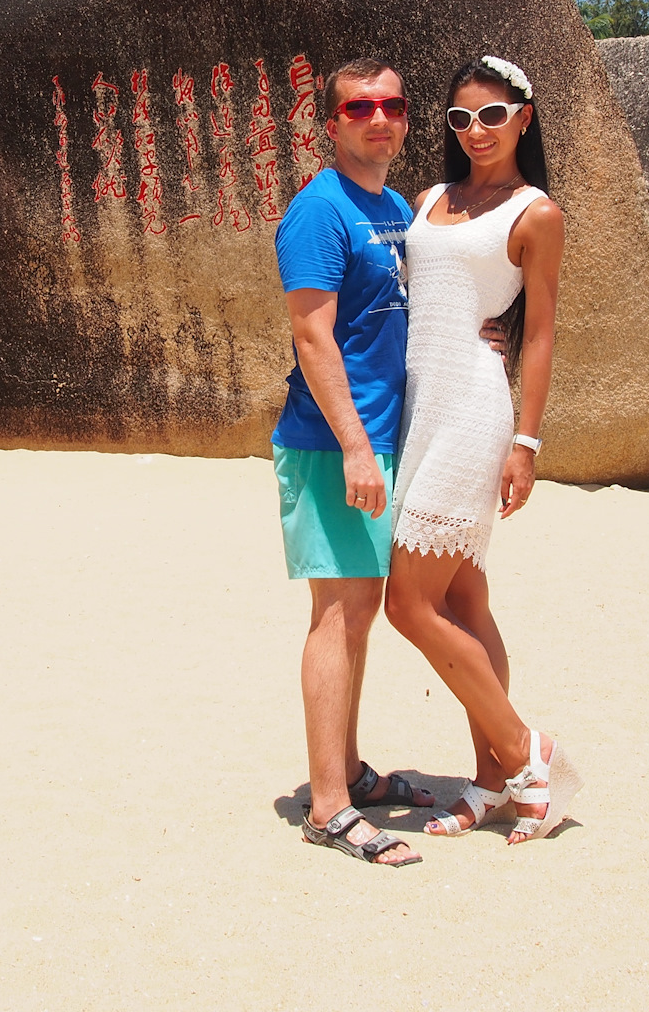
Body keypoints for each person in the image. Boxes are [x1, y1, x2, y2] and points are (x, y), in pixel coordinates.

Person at [384, 54, 582, 846]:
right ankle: (492, 784)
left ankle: (526, 750)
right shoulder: (429, 197)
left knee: (410, 602)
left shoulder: (536, 213)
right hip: (417, 408)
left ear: (524, 119)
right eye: (461, 119)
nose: (476, 132)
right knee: (464, 600)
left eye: (493, 116)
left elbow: (537, 333)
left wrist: (526, 441)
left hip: (473, 409)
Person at [273, 57, 434, 866]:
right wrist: (356, 449)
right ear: (331, 125)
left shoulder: (393, 207)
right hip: (336, 444)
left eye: (393, 105)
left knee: (360, 613)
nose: (380, 118)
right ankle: (328, 806)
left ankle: (348, 770)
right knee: (336, 615)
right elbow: (313, 335)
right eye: (361, 107)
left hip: (379, 439)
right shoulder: (319, 211)